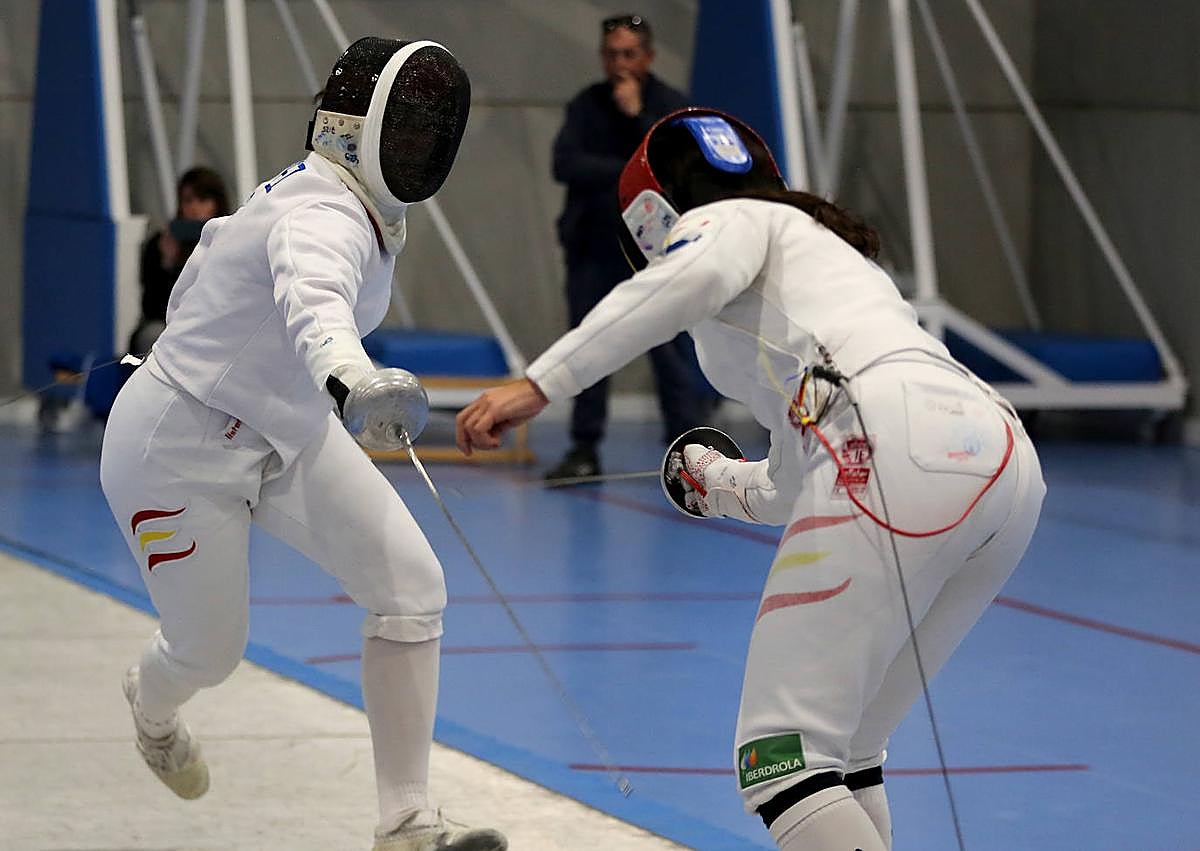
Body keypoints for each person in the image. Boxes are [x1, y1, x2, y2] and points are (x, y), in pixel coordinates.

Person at [456, 108, 1045, 850]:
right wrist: (715, 479)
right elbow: (803, 482)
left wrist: (538, 384)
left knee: (781, 758)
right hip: (999, 459)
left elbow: (685, 282)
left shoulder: (729, 223)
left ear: (654, 216)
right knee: (848, 750)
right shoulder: (828, 257)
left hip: (889, 442)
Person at [100, 37, 506, 851]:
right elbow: (313, 301)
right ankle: (150, 706)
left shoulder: (350, 199)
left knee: (411, 588)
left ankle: (407, 822)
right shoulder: (323, 212)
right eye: (410, 129)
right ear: (361, 128)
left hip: (283, 428)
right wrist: (354, 380)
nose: (423, 147)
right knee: (211, 651)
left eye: (432, 133)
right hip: (174, 447)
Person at [546, 12, 708, 480]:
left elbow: (674, 169)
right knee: (588, 346)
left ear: (649, 57)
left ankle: (688, 451)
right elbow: (565, 163)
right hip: (593, 248)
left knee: (670, 351)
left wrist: (638, 118)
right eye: (612, 54)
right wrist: (625, 170)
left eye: (629, 54)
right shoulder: (585, 106)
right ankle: (584, 447)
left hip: (656, 254)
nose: (620, 63)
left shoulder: (671, 108)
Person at [130, 166, 230, 355]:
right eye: (188, 200)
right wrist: (168, 263)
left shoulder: (229, 240)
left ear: (217, 203)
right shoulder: (159, 244)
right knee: (153, 335)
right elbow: (150, 307)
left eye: (203, 200)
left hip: (214, 323)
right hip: (169, 324)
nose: (194, 208)